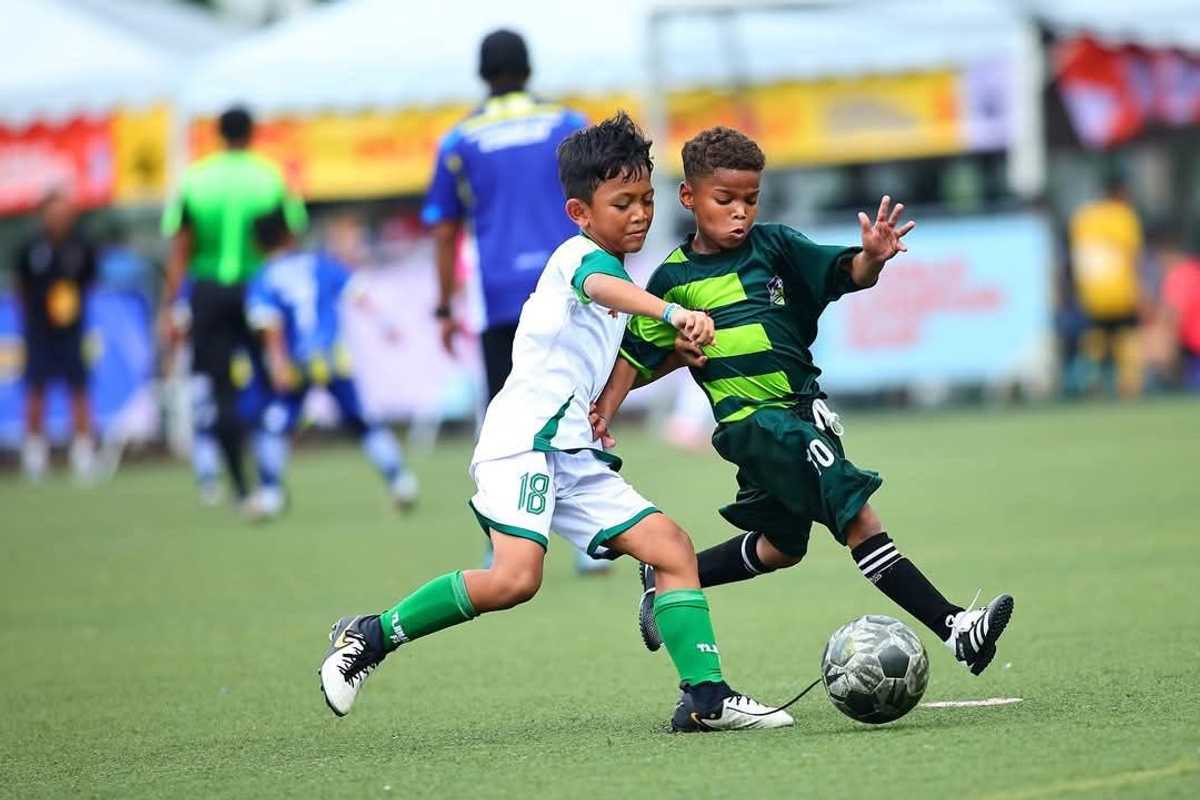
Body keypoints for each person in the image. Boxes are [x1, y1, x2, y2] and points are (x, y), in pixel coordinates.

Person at [318, 114, 791, 732]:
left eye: (646, 200)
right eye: (622, 203)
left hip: (571, 451)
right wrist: (672, 312)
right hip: (523, 444)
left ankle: (705, 700)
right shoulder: (579, 258)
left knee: (672, 549)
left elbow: (617, 353)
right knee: (515, 579)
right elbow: (605, 290)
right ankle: (369, 636)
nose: (640, 214)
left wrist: (660, 366)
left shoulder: (619, 272)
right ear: (580, 211)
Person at [593, 127, 1014, 676]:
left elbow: (845, 274)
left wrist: (872, 259)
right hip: (756, 426)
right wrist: (606, 410)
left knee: (782, 547)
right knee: (856, 512)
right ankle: (956, 628)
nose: (740, 212)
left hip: (801, 410)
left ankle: (669, 575)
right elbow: (637, 359)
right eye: (726, 200)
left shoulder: (776, 247)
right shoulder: (672, 280)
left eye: (750, 199)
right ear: (690, 198)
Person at [423, 30, 600, 575]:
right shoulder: (569, 125)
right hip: (568, 285)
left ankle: (502, 541)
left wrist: (446, 304)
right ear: (528, 67)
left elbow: (445, 228)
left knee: (506, 421)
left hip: (498, 296)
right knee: (576, 407)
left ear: (483, 73)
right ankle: (591, 542)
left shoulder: (459, 140)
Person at [159, 106, 307, 506]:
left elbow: (181, 244)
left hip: (207, 291)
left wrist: (173, 302)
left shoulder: (196, 177)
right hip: (257, 286)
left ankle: (240, 486)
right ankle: (269, 479)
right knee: (265, 381)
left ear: (218, 134)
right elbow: (288, 236)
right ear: (252, 133)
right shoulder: (268, 175)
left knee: (221, 389)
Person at [242, 211, 419, 519]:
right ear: (290, 235)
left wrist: (277, 363)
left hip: (298, 364)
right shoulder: (318, 264)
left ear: (258, 244)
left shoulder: (265, 277)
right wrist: (386, 324)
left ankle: (270, 493)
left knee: (274, 425)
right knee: (361, 421)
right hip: (332, 359)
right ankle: (400, 480)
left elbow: (270, 325)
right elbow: (359, 292)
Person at [14, 190, 98, 481]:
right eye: (54, 214)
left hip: (71, 331)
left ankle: (84, 453)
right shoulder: (30, 248)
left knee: (79, 389)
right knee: (36, 389)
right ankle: (35, 454)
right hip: (39, 331)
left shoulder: (81, 246)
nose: (59, 220)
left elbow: (90, 282)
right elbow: (20, 286)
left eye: (64, 214)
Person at [1068, 174, 1146, 398]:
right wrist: (1140, 292)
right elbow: (1133, 258)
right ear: (1120, 192)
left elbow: (1078, 256)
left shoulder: (1083, 218)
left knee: (1095, 340)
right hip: (1121, 291)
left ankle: (1090, 383)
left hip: (1092, 293)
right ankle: (1129, 387)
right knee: (1127, 338)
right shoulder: (1124, 216)